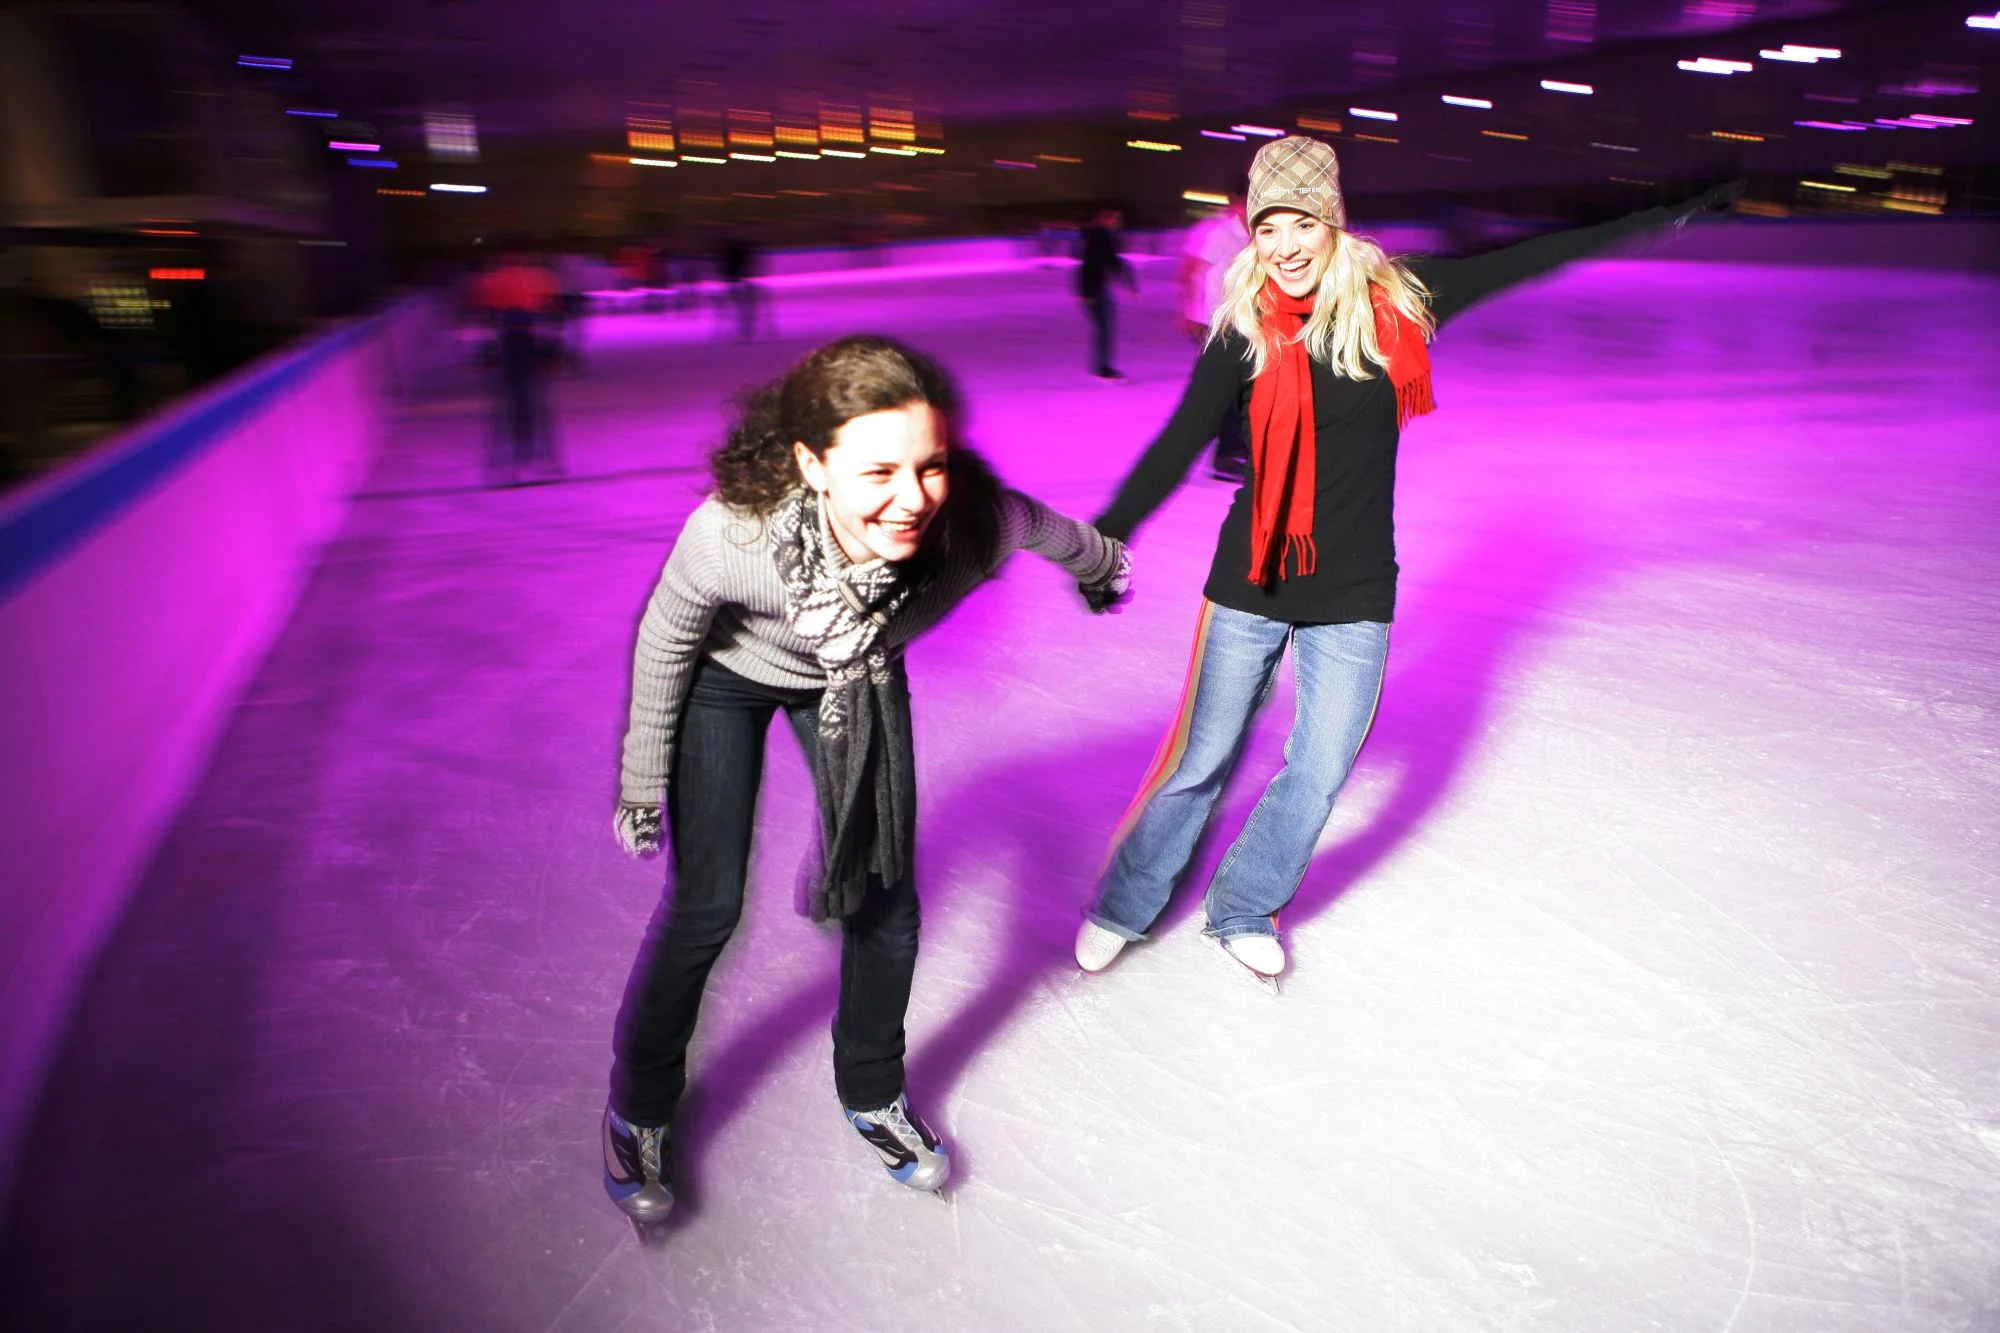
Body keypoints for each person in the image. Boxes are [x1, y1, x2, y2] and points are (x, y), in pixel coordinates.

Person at [1074, 135, 1744, 983]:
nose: (1281, 244)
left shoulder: (1404, 300)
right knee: (1200, 762)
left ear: (1333, 222)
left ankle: (1243, 903)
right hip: (1249, 580)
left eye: (1299, 222)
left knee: (1318, 770)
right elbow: (1178, 443)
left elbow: (1531, 258)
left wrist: (1660, 216)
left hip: (1355, 588)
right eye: (1266, 224)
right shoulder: (1242, 328)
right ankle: (1123, 905)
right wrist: (1105, 541)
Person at [603, 335, 1130, 1241]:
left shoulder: (967, 523)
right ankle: (637, 1107)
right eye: (878, 470)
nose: (911, 498)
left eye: (929, 466)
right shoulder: (734, 531)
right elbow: (668, 634)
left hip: (857, 684)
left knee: (886, 899)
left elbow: (1043, 525)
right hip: (728, 679)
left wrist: (1100, 564)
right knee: (706, 907)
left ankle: (874, 1089)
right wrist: (643, 778)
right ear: (813, 463)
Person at [468, 248, 561, 482]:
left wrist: (484, 353)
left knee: (510, 403)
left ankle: (512, 460)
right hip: (533, 341)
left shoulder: (489, 281)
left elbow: (484, 316)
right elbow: (551, 310)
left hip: (508, 343)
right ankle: (543, 459)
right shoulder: (541, 277)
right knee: (537, 402)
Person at [1178, 190, 1250, 480]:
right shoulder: (1222, 234)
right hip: (1216, 322)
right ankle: (1227, 455)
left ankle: (1225, 450)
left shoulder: (1257, 236)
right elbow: (1196, 271)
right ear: (1239, 205)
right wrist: (1192, 313)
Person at [1077, 206, 1138, 380]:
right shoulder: (1100, 237)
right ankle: (1103, 367)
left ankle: (1100, 365)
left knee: (1103, 328)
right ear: (1105, 219)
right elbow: (1092, 264)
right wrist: (1088, 292)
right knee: (1105, 328)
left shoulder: (1098, 236)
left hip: (1096, 288)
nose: (1117, 222)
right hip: (1097, 289)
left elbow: (1106, 262)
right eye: (1114, 218)